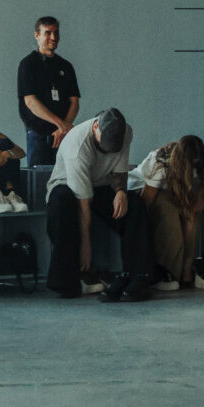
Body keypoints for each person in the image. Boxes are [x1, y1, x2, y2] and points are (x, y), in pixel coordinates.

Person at [45, 108, 154, 301]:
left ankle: (138, 278)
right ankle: (69, 282)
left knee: (135, 205)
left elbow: (119, 171)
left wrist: (121, 192)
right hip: (67, 185)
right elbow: (84, 204)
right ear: (96, 126)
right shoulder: (77, 146)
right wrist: (86, 246)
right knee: (63, 204)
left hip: (102, 184)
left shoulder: (126, 132)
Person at [128, 135, 204, 291]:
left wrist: (196, 201)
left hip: (175, 189)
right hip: (142, 188)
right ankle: (168, 272)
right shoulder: (159, 163)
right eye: (192, 164)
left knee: (193, 215)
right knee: (169, 215)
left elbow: (203, 185)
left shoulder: (199, 160)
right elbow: (146, 201)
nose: (194, 167)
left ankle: (187, 270)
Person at [17, 16, 81, 167]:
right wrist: (61, 124)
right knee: (40, 178)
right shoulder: (28, 64)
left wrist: (63, 128)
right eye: (48, 33)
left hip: (63, 136)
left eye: (56, 33)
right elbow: (30, 102)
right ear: (37, 35)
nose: (53, 37)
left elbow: (74, 102)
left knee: (64, 177)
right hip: (39, 136)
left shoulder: (66, 66)